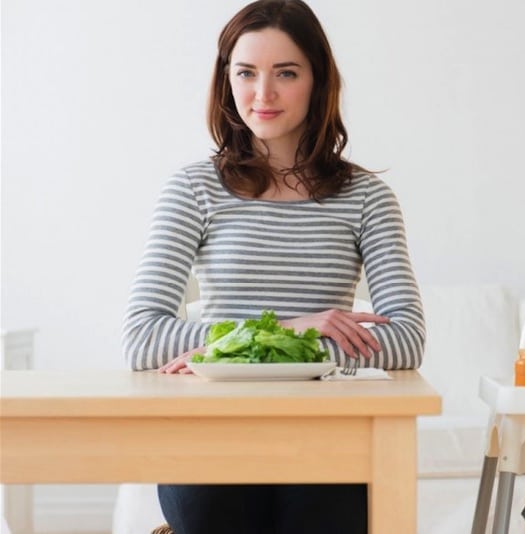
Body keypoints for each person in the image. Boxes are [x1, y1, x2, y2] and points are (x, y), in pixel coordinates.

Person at [121, 1, 425, 532]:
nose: (263, 94)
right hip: (210, 433)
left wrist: (224, 353)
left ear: (318, 81)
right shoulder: (192, 188)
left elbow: (405, 342)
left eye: (286, 73)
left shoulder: (368, 198)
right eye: (246, 72)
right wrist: (290, 330)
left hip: (327, 434)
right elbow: (144, 340)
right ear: (226, 81)